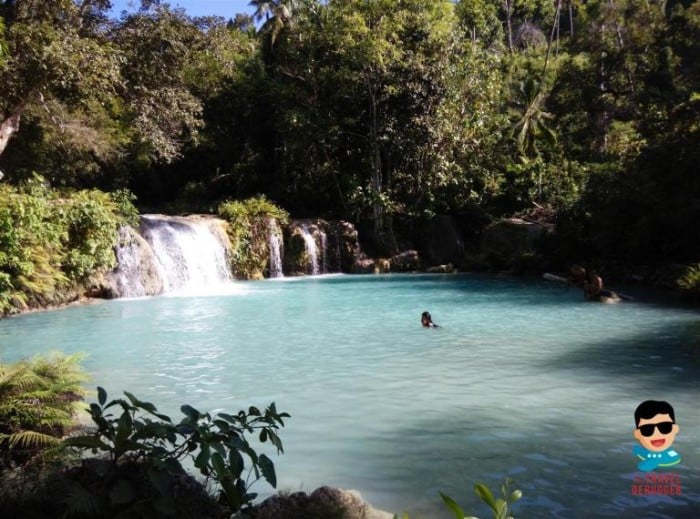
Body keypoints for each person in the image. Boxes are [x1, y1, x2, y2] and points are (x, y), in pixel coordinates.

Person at [633, 400, 681, 472]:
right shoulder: (637, 450)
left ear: (675, 429)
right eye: (647, 429)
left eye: (665, 427)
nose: (657, 433)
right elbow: (643, 467)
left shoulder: (674, 456)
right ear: (637, 434)